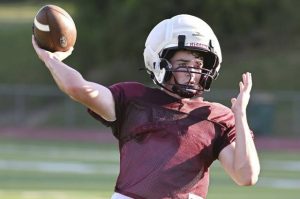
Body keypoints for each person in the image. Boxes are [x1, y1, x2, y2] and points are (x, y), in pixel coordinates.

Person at [32, 14, 260, 199]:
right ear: (160, 63)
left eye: (198, 64)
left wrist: (240, 116)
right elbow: (79, 89)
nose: (193, 72)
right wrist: (50, 59)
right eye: (183, 64)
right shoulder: (133, 100)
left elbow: (246, 176)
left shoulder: (214, 116)